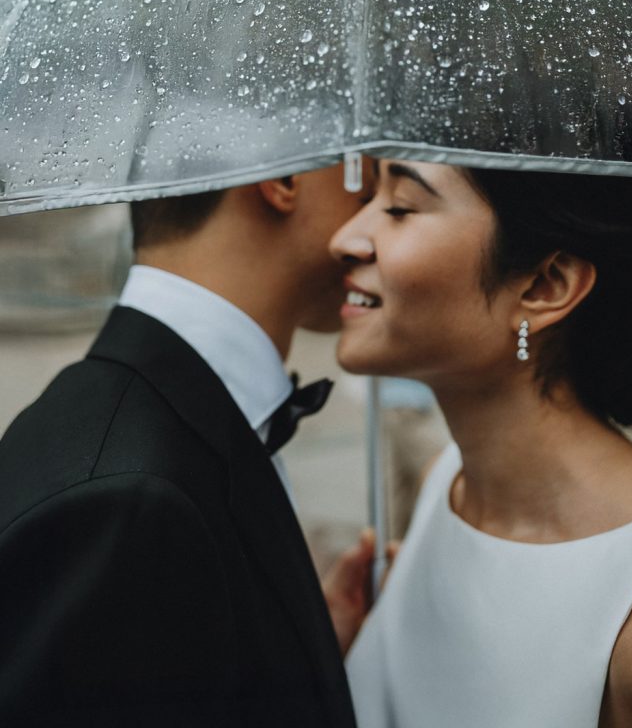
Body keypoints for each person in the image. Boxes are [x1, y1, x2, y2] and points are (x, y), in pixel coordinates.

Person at [0, 163, 374, 727]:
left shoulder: (148, 424)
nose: (372, 217)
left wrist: (292, 663)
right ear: (286, 177)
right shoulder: (129, 504)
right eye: (365, 178)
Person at [331, 159, 632, 728]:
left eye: (399, 207)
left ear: (545, 285)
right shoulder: (444, 485)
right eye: (368, 197)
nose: (344, 239)